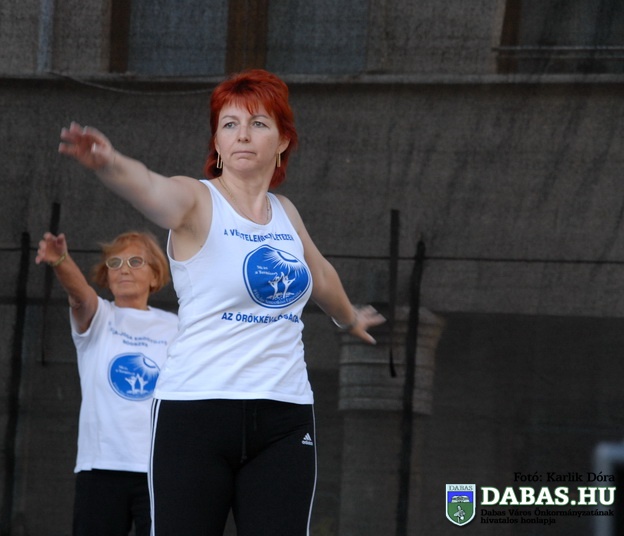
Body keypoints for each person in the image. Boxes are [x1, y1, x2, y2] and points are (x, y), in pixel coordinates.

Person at [58, 69, 385, 536]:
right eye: (230, 124)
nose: (242, 135)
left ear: (283, 141)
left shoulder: (286, 213)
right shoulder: (197, 200)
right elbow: (152, 188)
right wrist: (110, 163)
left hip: (285, 416)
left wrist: (349, 319)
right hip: (195, 414)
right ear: (217, 141)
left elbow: (320, 275)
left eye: (258, 123)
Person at [35, 230, 178, 536]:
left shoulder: (176, 327)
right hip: (101, 467)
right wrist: (60, 260)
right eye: (115, 263)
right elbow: (80, 295)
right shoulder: (101, 317)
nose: (124, 269)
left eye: (135, 261)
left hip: (159, 469)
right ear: (107, 275)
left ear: (155, 275)